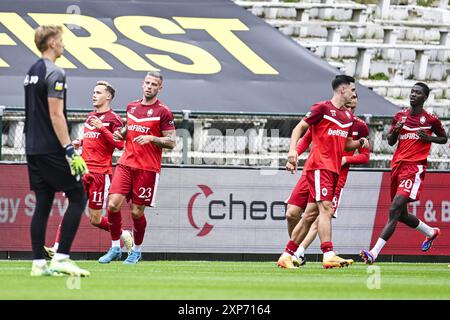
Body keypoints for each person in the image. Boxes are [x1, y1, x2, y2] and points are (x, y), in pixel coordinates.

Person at [277, 75, 369, 269]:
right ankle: (328, 253)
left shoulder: (348, 117)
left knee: (310, 215)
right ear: (342, 90)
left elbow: (345, 144)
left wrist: (359, 142)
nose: (354, 94)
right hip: (320, 167)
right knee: (325, 210)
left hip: (332, 170)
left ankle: (287, 255)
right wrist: (293, 151)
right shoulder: (322, 108)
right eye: (352, 90)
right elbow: (299, 128)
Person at [24, 25, 89, 277]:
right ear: (51, 42)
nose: (63, 44)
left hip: (32, 147)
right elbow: (55, 114)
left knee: (43, 203)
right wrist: (70, 150)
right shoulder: (55, 72)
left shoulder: (31, 71)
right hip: (51, 148)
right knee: (78, 195)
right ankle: (61, 257)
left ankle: (38, 264)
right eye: (60, 40)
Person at [44, 81, 133, 258]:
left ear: (108, 97)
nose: (94, 95)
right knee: (70, 207)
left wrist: (102, 129)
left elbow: (120, 144)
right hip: (83, 171)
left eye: (98, 92)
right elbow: (91, 137)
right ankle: (57, 248)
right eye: (93, 92)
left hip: (100, 174)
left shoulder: (113, 119)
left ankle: (123, 235)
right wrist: (80, 142)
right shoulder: (91, 116)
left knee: (95, 219)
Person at [360, 82, 447, 264]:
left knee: (394, 208)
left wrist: (429, 138)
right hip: (397, 167)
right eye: (412, 92)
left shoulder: (431, 119)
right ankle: (430, 232)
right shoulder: (400, 116)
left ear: (425, 97)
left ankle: (373, 253)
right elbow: (391, 141)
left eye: (417, 93)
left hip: (414, 168)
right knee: (401, 214)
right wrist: (397, 130)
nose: (413, 94)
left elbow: (444, 138)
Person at [98, 71, 176, 264]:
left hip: (147, 168)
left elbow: (172, 142)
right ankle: (116, 247)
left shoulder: (163, 112)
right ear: (142, 84)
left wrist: (152, 138)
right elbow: (129, 128)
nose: (149, 86)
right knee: (112, 205)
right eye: (147, 83)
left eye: (154, 84)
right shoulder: (131, 107)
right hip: (126, 164)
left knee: (136, 212)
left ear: (160, 88)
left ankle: (136, 251)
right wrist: (121, 134)